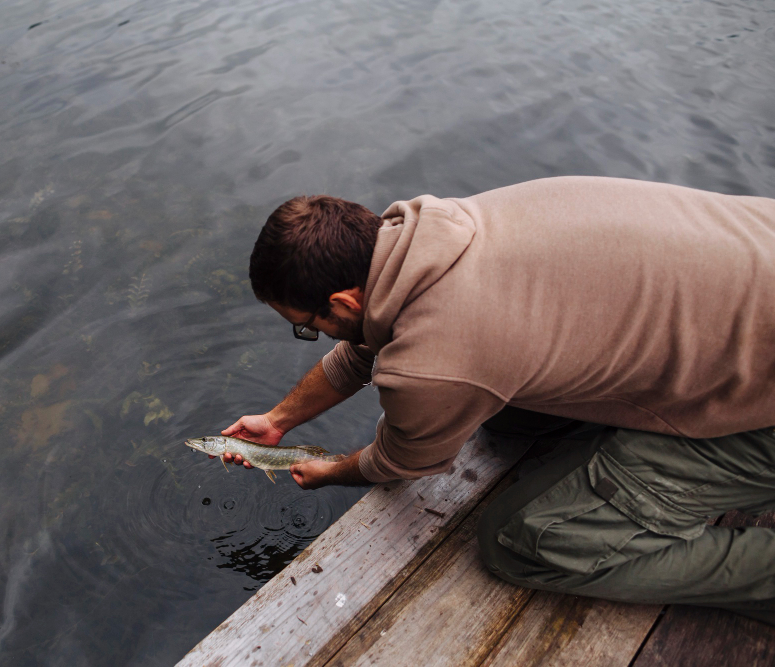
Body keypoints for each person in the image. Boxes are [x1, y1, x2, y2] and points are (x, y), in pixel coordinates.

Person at [218, 176, 775, 624]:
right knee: (507, 422)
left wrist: (330, 471)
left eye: (307, 327)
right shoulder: (444, 229)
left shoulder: (437, 353)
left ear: (343, 298)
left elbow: (402, 462)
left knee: (519, 541)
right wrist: (277, 421)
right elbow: (368, 342)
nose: (315, 336)